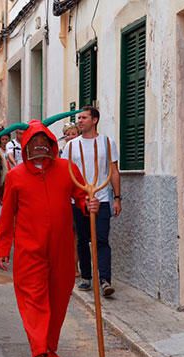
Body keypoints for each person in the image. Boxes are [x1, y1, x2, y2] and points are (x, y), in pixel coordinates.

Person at [0, 114, 100, 357]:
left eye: (44, 141)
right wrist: (2, 248)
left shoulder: (66, 169)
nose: (39, 147)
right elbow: (7, 214)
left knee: (59, 296)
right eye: (35, 142)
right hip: (29, 249)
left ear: (51, 144)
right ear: (27, 145)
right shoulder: (17, 176)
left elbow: (81, 199)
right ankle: (38, 351)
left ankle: (50, 347)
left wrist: (90, 205)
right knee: (33, 298)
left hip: (62, 248)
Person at [61, 106, 121, 296]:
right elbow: (65, 173)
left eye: (84, 117)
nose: (79, 121)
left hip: (102, 199)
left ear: (94, 120)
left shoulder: (107, 142)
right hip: (78, 200)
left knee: (102, 239)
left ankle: (104, 280)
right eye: (79, 118)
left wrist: (117, 198)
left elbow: (113, 171)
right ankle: (86, 276)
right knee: (82, 239)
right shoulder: (71, 146)